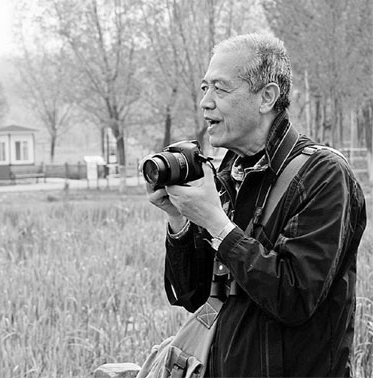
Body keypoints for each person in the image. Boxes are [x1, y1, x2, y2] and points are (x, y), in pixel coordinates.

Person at [146, 33, 366, 377]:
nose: (205, 102)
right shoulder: (227, 174)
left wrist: (219, 226)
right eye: (204, 88)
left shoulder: (323, 175)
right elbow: (197, 297)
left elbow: (295, 298)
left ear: (266, 97)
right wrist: (180, 220)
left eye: (220, 89)